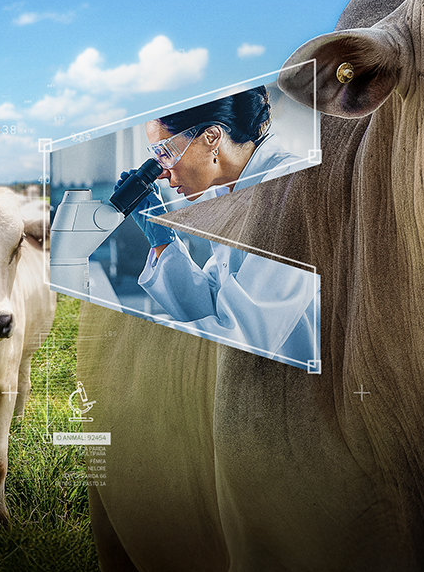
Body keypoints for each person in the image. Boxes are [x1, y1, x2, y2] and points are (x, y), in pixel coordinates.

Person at [116, 86, 317, 366]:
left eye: (165, 152)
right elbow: (211, 307)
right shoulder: (230, 193)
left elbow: (244, 335)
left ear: (211, 137)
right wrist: (162, 240)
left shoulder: (290, 189)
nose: (161, 171)